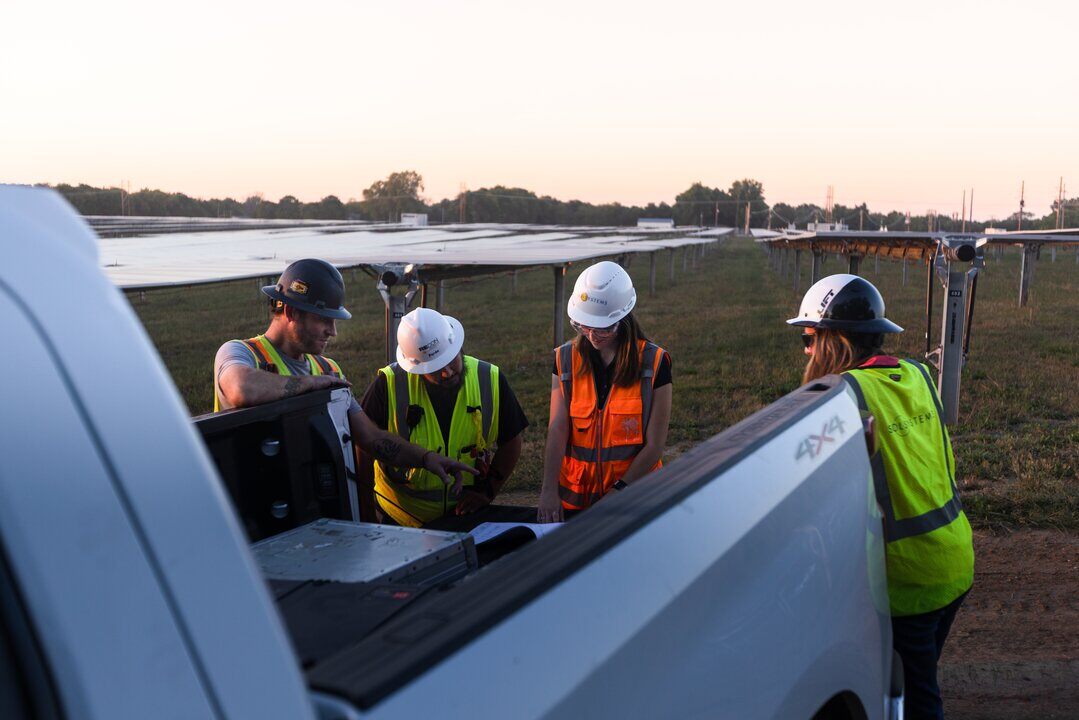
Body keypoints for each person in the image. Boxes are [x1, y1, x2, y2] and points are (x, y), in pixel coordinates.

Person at [789, 273, 975, 720]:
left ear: (836, 341)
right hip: (955, 555)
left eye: (810, 338)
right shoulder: (916, 374)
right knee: (915, 675)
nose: (806, 351)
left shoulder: (844, 394)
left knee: (914, 697)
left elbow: (805, 474)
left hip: (910, 578)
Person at [213, 258, 476, 491]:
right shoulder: (241, 353)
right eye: (323, 319)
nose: (333, 331)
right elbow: (240, 388)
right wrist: (312, 385)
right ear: (291, 312)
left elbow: (371, 438)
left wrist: (426, 459)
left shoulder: (329, 370)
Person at [360, 307, 529, 528]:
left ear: (458, 347)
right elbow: (362, 449)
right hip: (400, 517)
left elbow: (512, 440)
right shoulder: (388, 385)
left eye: (451, 361)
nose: (446, 373)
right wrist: (366, 515)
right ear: (415, 367)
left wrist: (487, 492)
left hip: (463, 517)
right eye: (435, 368)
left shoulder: (490, 379)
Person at [537, 261, 672, 523]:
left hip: (634, 499)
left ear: (623, 318)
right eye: (583, 326)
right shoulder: (565, 360)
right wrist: (548, 490)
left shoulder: (655, 363)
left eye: (603, 328)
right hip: (575, 501)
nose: (592, 335)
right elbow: (557, 428)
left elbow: (654, 446)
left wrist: (618, 492)